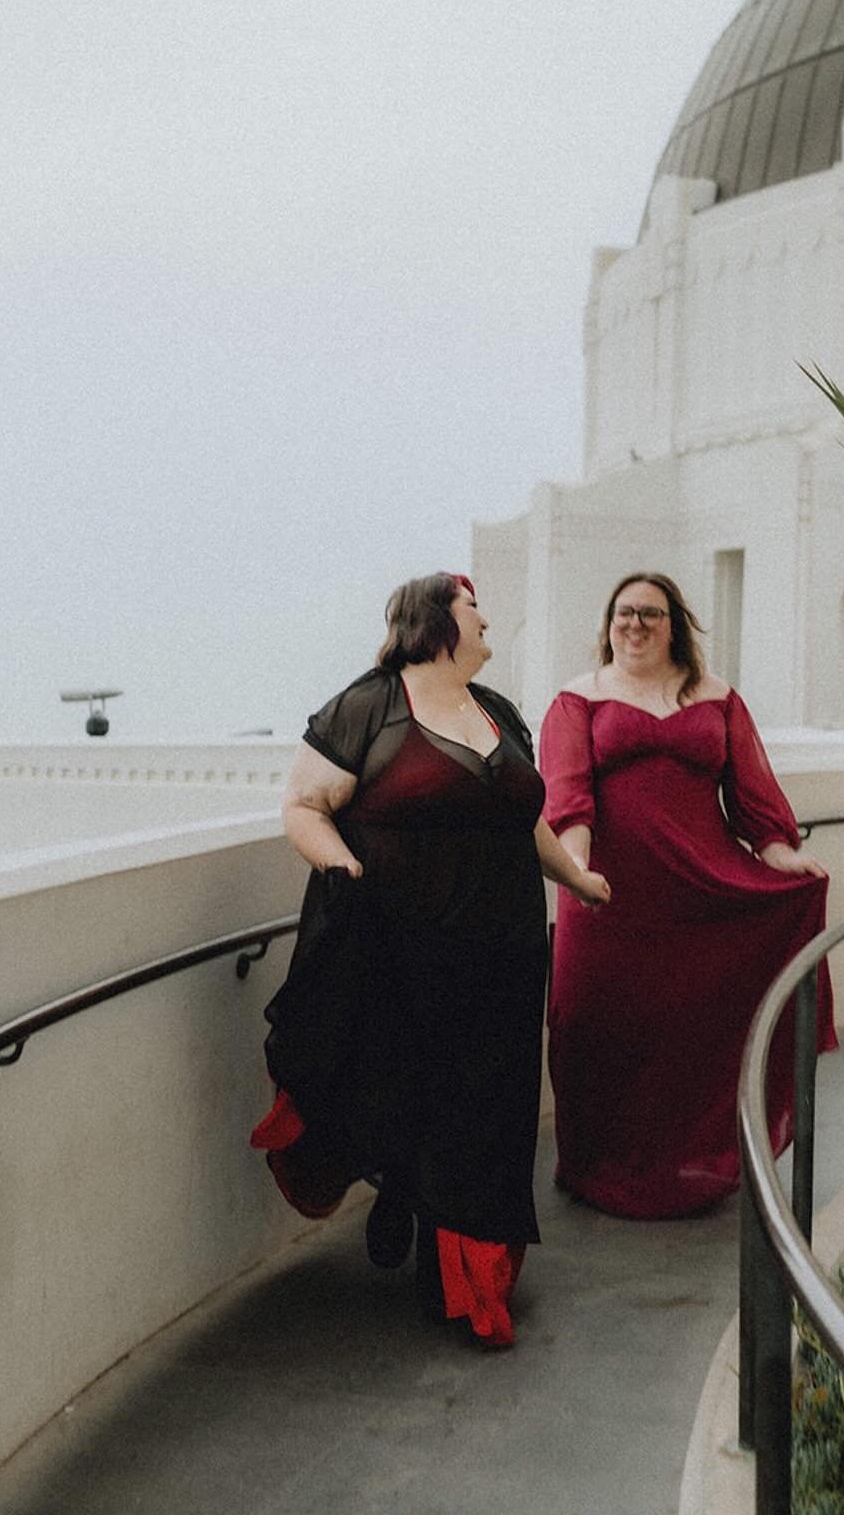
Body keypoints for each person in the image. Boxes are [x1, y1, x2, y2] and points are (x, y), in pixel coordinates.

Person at [251, 572, 609, 1348]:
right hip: (399, 946)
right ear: (436, 621)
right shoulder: (369, 706)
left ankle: (470, 1282)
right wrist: (342, 866)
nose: (488, 623)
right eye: (476, 610)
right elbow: (303, 806)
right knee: (408, 1090)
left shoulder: (499, 713)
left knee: (488, 1110)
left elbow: (526, 819)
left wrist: (576, 877)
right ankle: (409, 1198)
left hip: (504, 953)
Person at [539, 570, 835, 1219]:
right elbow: (566, 796)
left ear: (675, 624)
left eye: (650, 613)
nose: (635, 625)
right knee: (592, 1024)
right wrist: (577, 873)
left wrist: (783, 856)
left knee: (688, 1032)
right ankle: (596, 1169)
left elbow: (755, 797)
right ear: (607, 624)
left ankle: (690, 1165)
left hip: (702, 890)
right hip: (608, 895)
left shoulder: (717, 697)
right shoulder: (577, 699)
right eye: (623, 613)